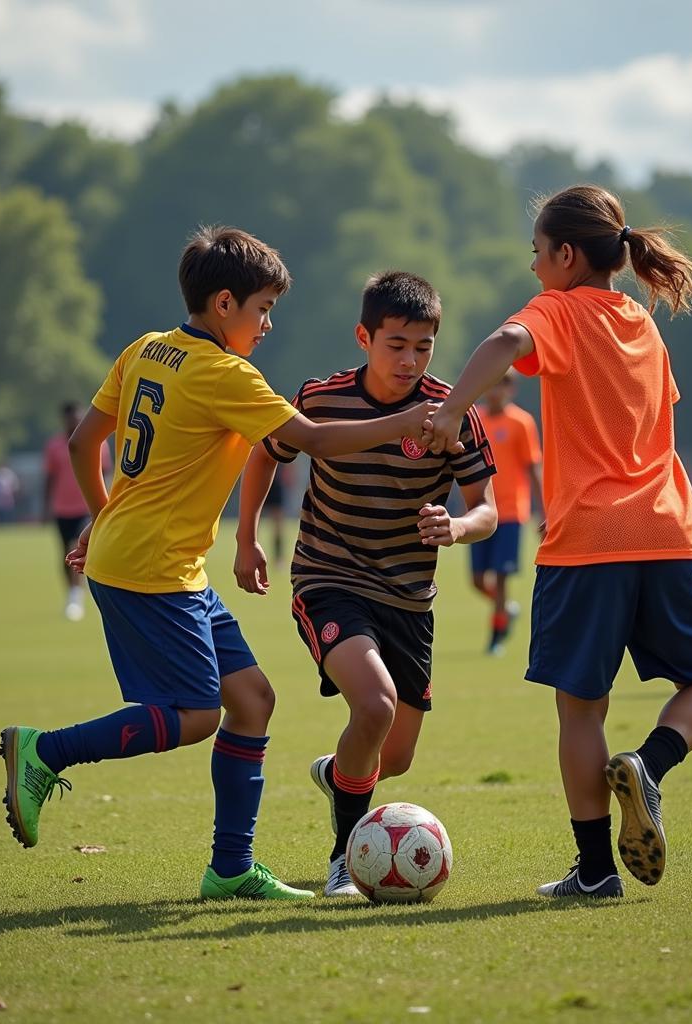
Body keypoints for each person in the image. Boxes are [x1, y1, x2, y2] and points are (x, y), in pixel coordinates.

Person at [0, 227, 447, 902]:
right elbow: (314, 438)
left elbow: (86, 439)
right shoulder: (224, 374)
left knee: (252, 700)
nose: (268, 325)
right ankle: (45, 751)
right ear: (226, 302)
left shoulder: (146, 347)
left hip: (162, 562)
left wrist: (105, 515)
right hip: (151, 568)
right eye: (263, 308)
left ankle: (230, 868)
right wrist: (404, 420)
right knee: (196, 713)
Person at [424, 185, 692, 899]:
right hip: (669, 531)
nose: (533, 268)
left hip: (587, 540)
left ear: (567, 256)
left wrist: (450, 413)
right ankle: (651, 766)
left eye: (538, 255)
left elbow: (508, 343)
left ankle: (596, 872)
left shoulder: (558, 310)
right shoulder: (641, 322)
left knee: (580, 709)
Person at [234, 270, 497, 897]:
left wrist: (456, 527)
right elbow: (265, 455)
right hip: (330, 578)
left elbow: (489, 509)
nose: (410, 360)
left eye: (424, 347)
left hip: (409, 598)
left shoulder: (450, 411)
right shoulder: (321, 400)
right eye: (396, 344)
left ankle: (339, 772)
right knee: (373, 705)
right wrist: (245, 539)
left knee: (393, 759)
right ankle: (343, 860)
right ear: (364, 337)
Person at [469, 370, 543, 654]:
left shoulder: (521, 422)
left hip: (511, 512)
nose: (495, 392)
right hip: (480, 509)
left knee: (500, 577)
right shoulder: (477, 420)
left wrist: (542, 509)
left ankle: (496, 636)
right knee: (477, 580)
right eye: (492, 385)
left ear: (510, 389)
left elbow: (532, 467)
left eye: (502, 386)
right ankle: (506, 610)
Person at [43, 401, 112, 620]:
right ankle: (71, 593)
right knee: (66, 553)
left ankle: (76, 597)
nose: (74, 421)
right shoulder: (54, 446)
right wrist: (46, 506)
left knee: (77, 544)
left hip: (86, 505)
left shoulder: (96, 442)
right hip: (62, 507)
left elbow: (106, 472)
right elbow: (50, 477)